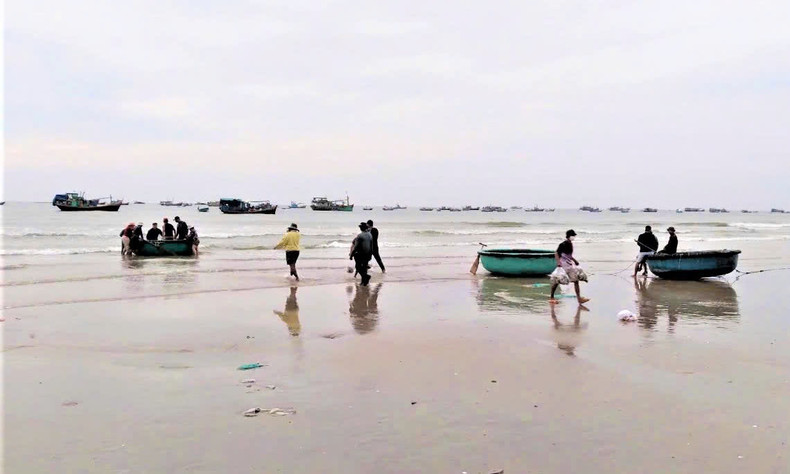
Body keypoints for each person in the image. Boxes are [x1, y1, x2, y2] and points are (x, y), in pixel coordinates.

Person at [549, 229, 589, 304]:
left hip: (569, 264)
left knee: (576, 281)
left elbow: (569, 255)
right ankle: (551, 297)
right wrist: (558, 262)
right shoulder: (563, 244)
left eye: (574, 236)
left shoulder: (570, 243)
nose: (574, 237)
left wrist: (575, 260)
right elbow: (556, 253)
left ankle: (579, 299)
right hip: (563, 265)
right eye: (573, 236)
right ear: (569, 236)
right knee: (557, 281)